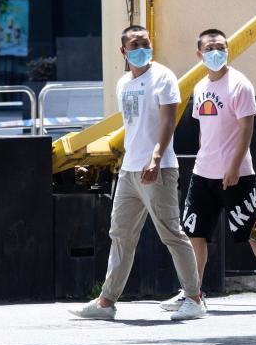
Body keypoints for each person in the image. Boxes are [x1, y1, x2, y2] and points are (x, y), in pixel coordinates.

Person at [71, 26, 205, 321]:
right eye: (135, 44)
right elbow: (133, 126)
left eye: (145, 43)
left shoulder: (163, 77)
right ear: (124, 51)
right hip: (130, 170)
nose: (142, 47)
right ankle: (106, 302)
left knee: (171, 233)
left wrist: (156, 158)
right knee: (120, 234)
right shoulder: (122, 84)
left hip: (159, 168)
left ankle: (194, 298)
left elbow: (170, 121)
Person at [163, 28, 256, 311]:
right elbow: (202, 131)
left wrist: (233, 165)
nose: (215, 52)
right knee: (195, 233)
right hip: (202, 173)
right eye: (209, 48)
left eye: (221, 47)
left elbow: (247, 128)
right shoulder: (200, 87)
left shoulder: (240, 84)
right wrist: (202, 162)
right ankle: (192, 292)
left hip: (236, 174)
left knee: (252, 232)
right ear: (199, 54)